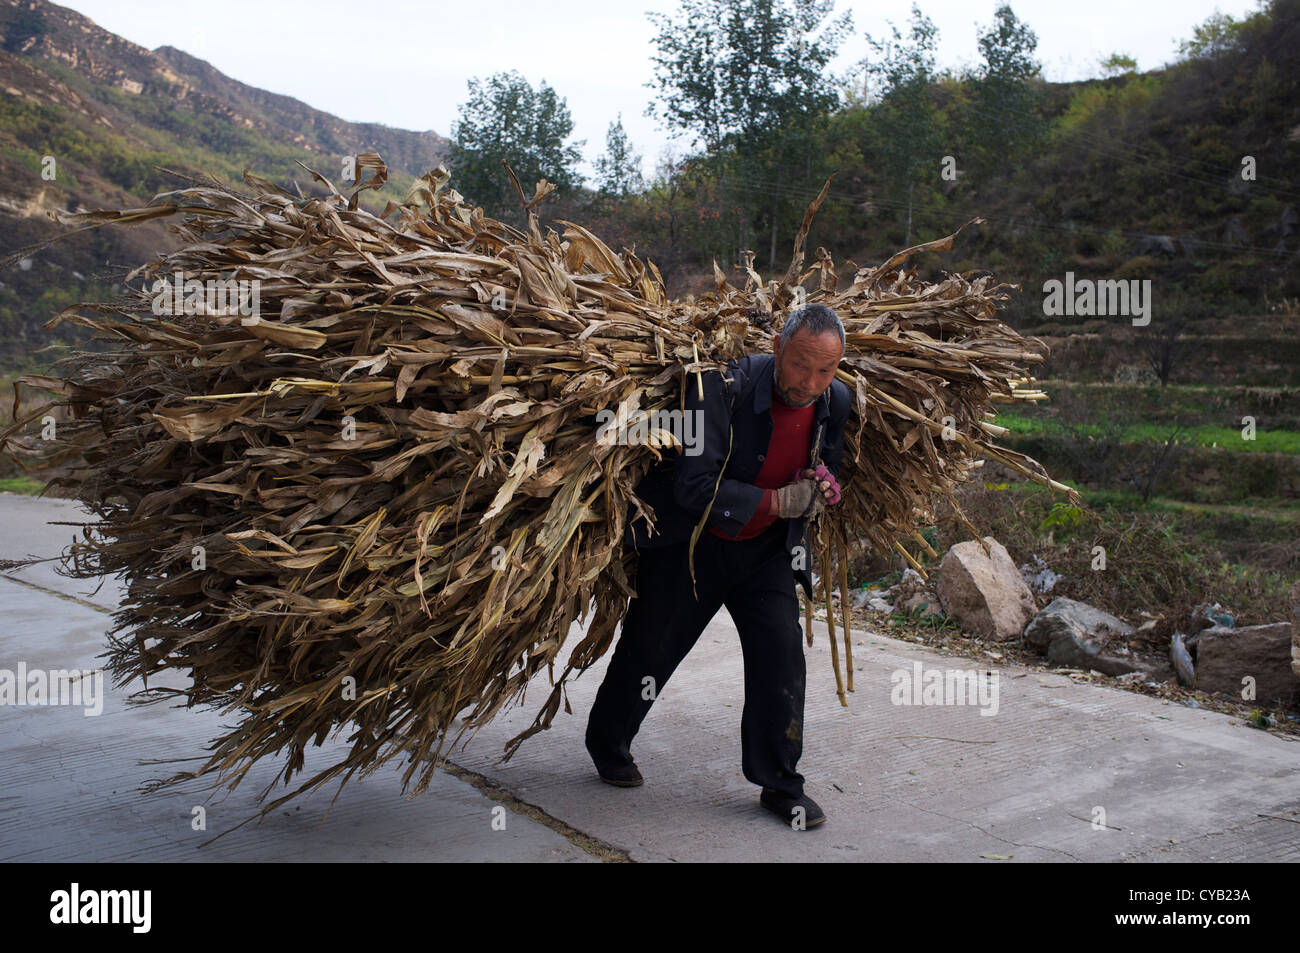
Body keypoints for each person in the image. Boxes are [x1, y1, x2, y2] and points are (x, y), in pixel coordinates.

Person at [585, 303, 851, 829]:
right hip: (694, 547)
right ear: (777, 348)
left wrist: (823, 485)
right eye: (800, 365)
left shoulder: (835, 401)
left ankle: (780, 785)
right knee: (651, 650)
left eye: (825, 371)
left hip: (766, 554)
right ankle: (608, 743)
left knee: (781, 657)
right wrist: (778, 502)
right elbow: (694, 487)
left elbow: (831, 461)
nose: (810, 382)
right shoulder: (718, 388)